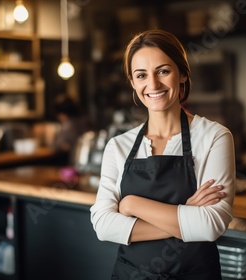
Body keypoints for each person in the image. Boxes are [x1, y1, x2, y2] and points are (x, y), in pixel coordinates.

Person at [90, 30, 236, 279]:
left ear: (183, 74)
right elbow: (104, 226)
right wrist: (184, 216)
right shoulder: (119, 146)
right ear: (133, 83)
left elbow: (210, 224)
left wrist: (131, 204)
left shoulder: (214, 137)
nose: (153, 84)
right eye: (141, 75)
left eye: (163, 71)